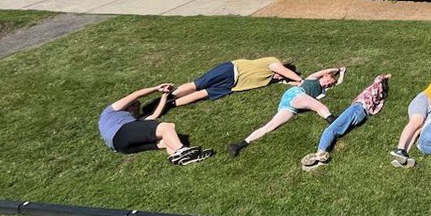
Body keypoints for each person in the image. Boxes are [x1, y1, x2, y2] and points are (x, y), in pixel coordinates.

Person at [227, 67, 345, 157]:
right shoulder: (312, 78)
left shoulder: (323, 91)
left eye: (331, 83)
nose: (330, 83)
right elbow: (325, 71)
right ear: (325, 76)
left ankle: (240, 144)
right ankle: (333, 120)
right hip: (295, 94)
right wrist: (338, 69)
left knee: (270, 126)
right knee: (317, 105)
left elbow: (339, 83)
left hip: (291, 106)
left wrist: (343, 73)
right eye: (330, 79)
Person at [98, 83, 213, 165]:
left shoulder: (134, 122)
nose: (136, 107)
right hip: (120, 132)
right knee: (167, 127)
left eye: (138, 106)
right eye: (134, 105)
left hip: (120, 146)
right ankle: (181, 150)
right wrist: (157, 88)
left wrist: (164, 97)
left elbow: (154, 116)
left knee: (164, 142)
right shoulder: (112, 110)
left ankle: (186, 158)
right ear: (127, 105)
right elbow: (136, 95)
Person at [300, 74, 392, 170]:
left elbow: (379, 79)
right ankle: (319, 160)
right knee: (339, 127)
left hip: (357, 108)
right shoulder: (380, 96)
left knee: (331, 130)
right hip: (362, 114)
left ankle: (320, 153)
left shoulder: (374, 88)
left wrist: (386, 77)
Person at [165, 56, 303, 109]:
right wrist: (299, 79)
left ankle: (169, 104)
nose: (279, 77)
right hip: (231, 70)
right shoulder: (273, 62)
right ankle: (168, 96)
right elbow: (280, 69)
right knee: (197, 85)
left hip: (232, 86)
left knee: (204, 93)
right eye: (281, 75)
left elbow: (286, 82)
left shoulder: (271, 79)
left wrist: (296, 83)